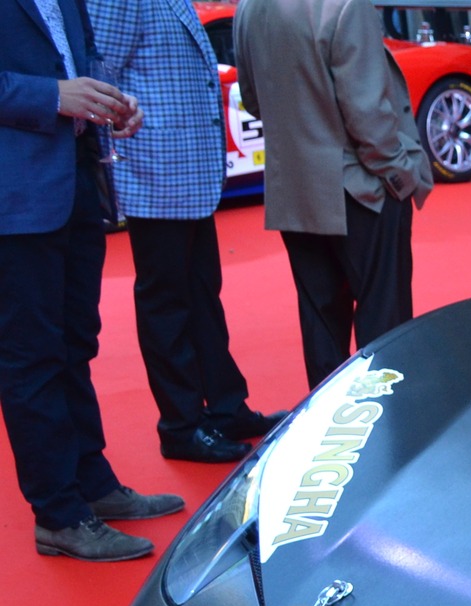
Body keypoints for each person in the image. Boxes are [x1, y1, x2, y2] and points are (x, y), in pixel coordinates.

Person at [1, 0, 185, 562]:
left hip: (76, 176)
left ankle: (93, 485)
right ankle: (58, 514)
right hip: (15, 197)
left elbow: (86, 56)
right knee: (32, 357)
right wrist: (54, 96)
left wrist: (113, 101)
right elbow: (55, 83)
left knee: (75, 342)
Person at [92, 0, 284, 464]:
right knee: (167, 304)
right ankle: (180, 426)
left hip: (187, 172)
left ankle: (225, 408)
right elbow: (99, 72)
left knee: (201, 295)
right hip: (156, 170)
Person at [234, 0, 435, 388]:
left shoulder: (249, 7)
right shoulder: (345, 5)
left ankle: (329, 421)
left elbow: (253, 99)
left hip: (295, 185)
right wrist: (401, 175)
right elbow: (368, 117)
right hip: (361, 186)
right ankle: (386, 420)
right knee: (384, 326)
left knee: (321, 328)